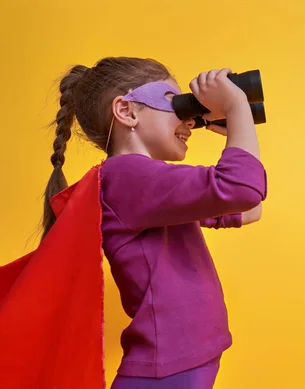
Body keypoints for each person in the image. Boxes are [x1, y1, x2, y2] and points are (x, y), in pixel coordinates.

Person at [0, 57, 267, 389]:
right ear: (126, 111)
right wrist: (237, 105)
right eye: (177, 105)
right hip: (166, 367)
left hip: (180, 361)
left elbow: (250, 206)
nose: (189, 123)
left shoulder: (151, 187)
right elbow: (241, 189)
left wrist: (237, 124)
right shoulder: (125, 176)